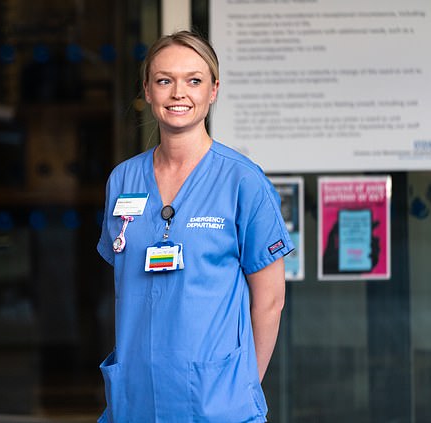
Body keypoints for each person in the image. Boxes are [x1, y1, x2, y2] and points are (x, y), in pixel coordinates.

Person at [96, 30, 294, 423]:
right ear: (148, 91)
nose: (178, 93)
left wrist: (243, 388)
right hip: (136, 398)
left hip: (218, 404)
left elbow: (270, 301)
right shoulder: (122, 181)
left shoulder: (242, 181)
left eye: (194, 80)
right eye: (164, 80)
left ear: (214, 90)